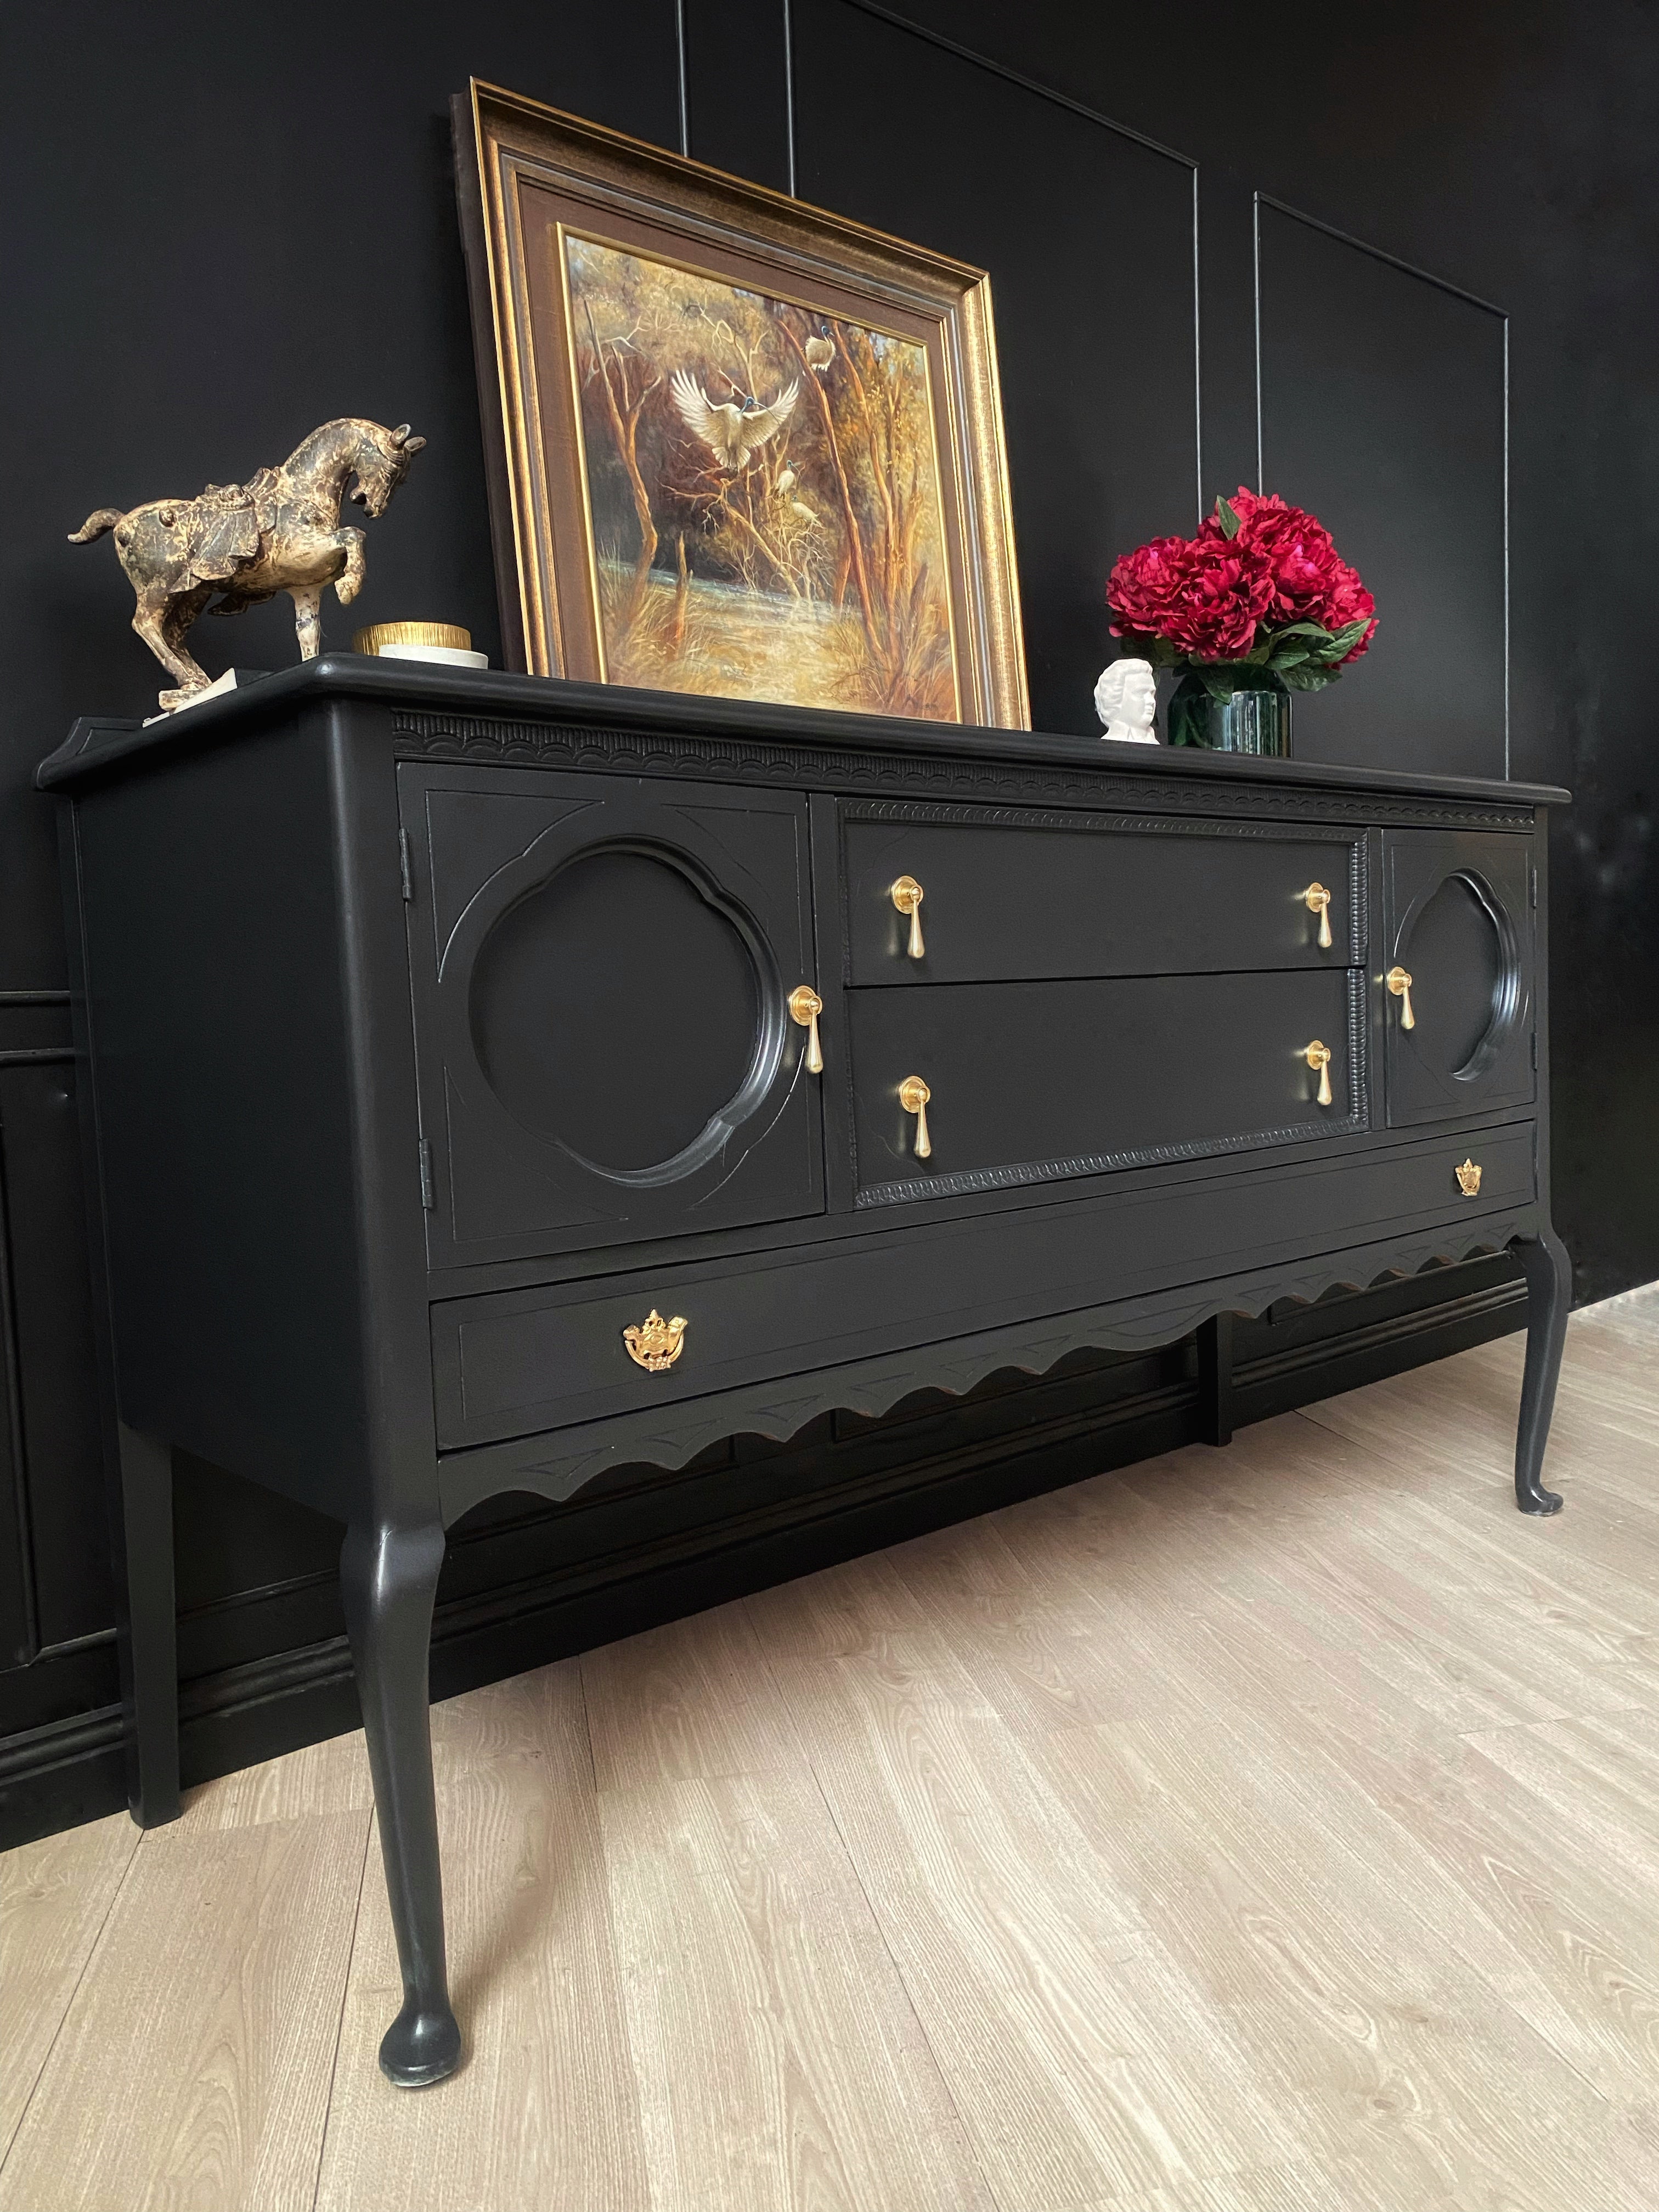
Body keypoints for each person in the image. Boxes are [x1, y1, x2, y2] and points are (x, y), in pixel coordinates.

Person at [1093, 656, 1159, 743]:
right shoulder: (1108, 746)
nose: (1151, 701)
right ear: (1115, 697)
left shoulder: (1156, 745)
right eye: (1140, 693)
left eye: (1152, 694)